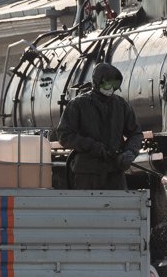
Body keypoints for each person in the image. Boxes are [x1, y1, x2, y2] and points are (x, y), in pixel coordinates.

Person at [55, 62, 142, 190]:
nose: (111, 88)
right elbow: (64, 135)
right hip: (87, 173)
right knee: (90, 209)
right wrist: (92, 146)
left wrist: (130, 152)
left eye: (115, 85)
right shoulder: (78, 104)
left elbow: (136, 133)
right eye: (108, 84)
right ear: (97, 82)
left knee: (119, 209)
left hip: (115, 172)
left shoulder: (121, 105)